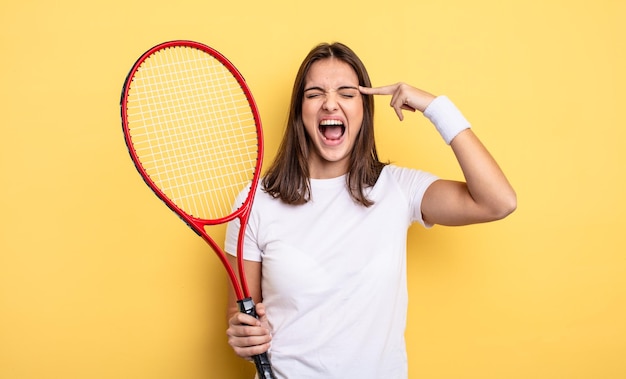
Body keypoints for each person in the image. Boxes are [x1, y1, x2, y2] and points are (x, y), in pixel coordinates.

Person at [224, 42, 516, 379]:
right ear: (299, 112)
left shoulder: (398, 189)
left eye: (347, 93)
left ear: (364, 109)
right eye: (315, 93)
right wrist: (243, 336)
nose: (330, 103)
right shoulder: (256, 201)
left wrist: (436, 107)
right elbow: (239, 312)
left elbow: (499, 202)